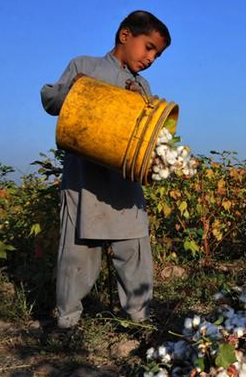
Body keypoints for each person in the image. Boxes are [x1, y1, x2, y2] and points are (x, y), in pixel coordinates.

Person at [40, 10, 171, 329]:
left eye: (158, 54)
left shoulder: (142, 85)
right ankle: (68, 321)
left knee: (134, 249)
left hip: (124, 181)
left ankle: (139, 319)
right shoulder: (84, 67)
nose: (151, 58)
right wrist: (75, 89)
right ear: (125, 36)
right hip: (84, 182)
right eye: (149, 47)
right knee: (78, 253)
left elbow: (146, 137)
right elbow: (50, 100)